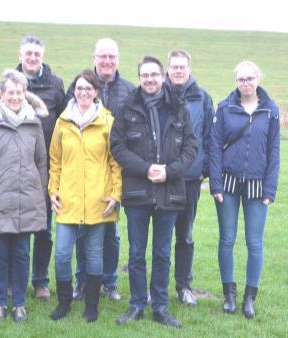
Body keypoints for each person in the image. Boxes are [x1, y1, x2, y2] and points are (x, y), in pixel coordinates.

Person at [111, 56, 197, 328]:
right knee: (136, 253)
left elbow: (191, 148)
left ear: (163, 77)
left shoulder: (179, 108)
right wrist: (146, 168)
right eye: (144, 75)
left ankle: (160, 306)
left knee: (162, 254)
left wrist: (169, 171)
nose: (149, 79)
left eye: (154, 74)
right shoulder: (127, 107)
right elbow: (117, 146)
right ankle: (137, 304)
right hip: (137, 193)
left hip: (169, 192)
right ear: (139, 78)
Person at [0, 69, 48, 323]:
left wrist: (42, 197)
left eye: (19, 92)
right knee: (0, 252)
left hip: (27, 199)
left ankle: (18, 303)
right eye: (10, 92)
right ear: (1, 94)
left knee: (22, 254)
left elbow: (41, 162)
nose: (15, 97)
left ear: (25, 94)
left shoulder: (34, 121)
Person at [49, 69, 122, 323]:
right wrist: (53, 190)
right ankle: (64, 302)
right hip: (67, 201)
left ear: (96, 92)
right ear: (74, 91)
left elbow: (115, 163)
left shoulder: (108, 121)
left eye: (88, 89)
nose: (83, 93)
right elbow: (55, 160)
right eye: (79, 88)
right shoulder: (62, 122)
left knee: (94, 255)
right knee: (61, 255)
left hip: (98, 202)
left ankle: (92, 305)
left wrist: (115, 194)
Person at [65, 38, 135, 301]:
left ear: (118, 59)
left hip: (115, 171)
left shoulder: (129, 90)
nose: (107, 61)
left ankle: (110, 282)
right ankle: (81, 282)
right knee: (84, 232)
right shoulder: (78, 85)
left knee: (111, 234)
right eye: (102, 56)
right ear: (94, 57)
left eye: (112, 57)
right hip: (85, 175)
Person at [210, 60, 280, 319]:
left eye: (250, 78)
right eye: (241, 79)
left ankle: (249, 298)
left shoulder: (271, 111)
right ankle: (229, 295)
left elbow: (274, 152)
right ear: (236, 81)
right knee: (227, 240)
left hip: (257, 185)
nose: (246, 83)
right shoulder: (224, 108)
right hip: (227, 183)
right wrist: (215, 184)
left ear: (258, 79)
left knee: (254, 242)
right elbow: (215, 147)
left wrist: (270, 189)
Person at [15, 35, 65, 300]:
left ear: (42, 57)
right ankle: (15, 280)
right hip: (13, 168)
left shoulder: (55, 85)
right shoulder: (10, 82)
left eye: (37, 54)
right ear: (20, 55)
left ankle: (41, 281)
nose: (32, 58)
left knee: (44, 228)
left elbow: (65, 122)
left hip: (44, 168)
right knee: (15, 227)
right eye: (28, 54)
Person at [165, 50, 215, 306]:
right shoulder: (158, 94)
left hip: (191, 179)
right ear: (168, 68)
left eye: (182, 67)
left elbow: (210, 136)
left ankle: (184, 286)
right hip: (162, 179)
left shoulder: (202, 97)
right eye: (174, 67)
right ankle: (158, 287)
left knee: (184, 235)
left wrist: (203, 169)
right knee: (161, 236)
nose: (178, 71)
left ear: (189, 68)